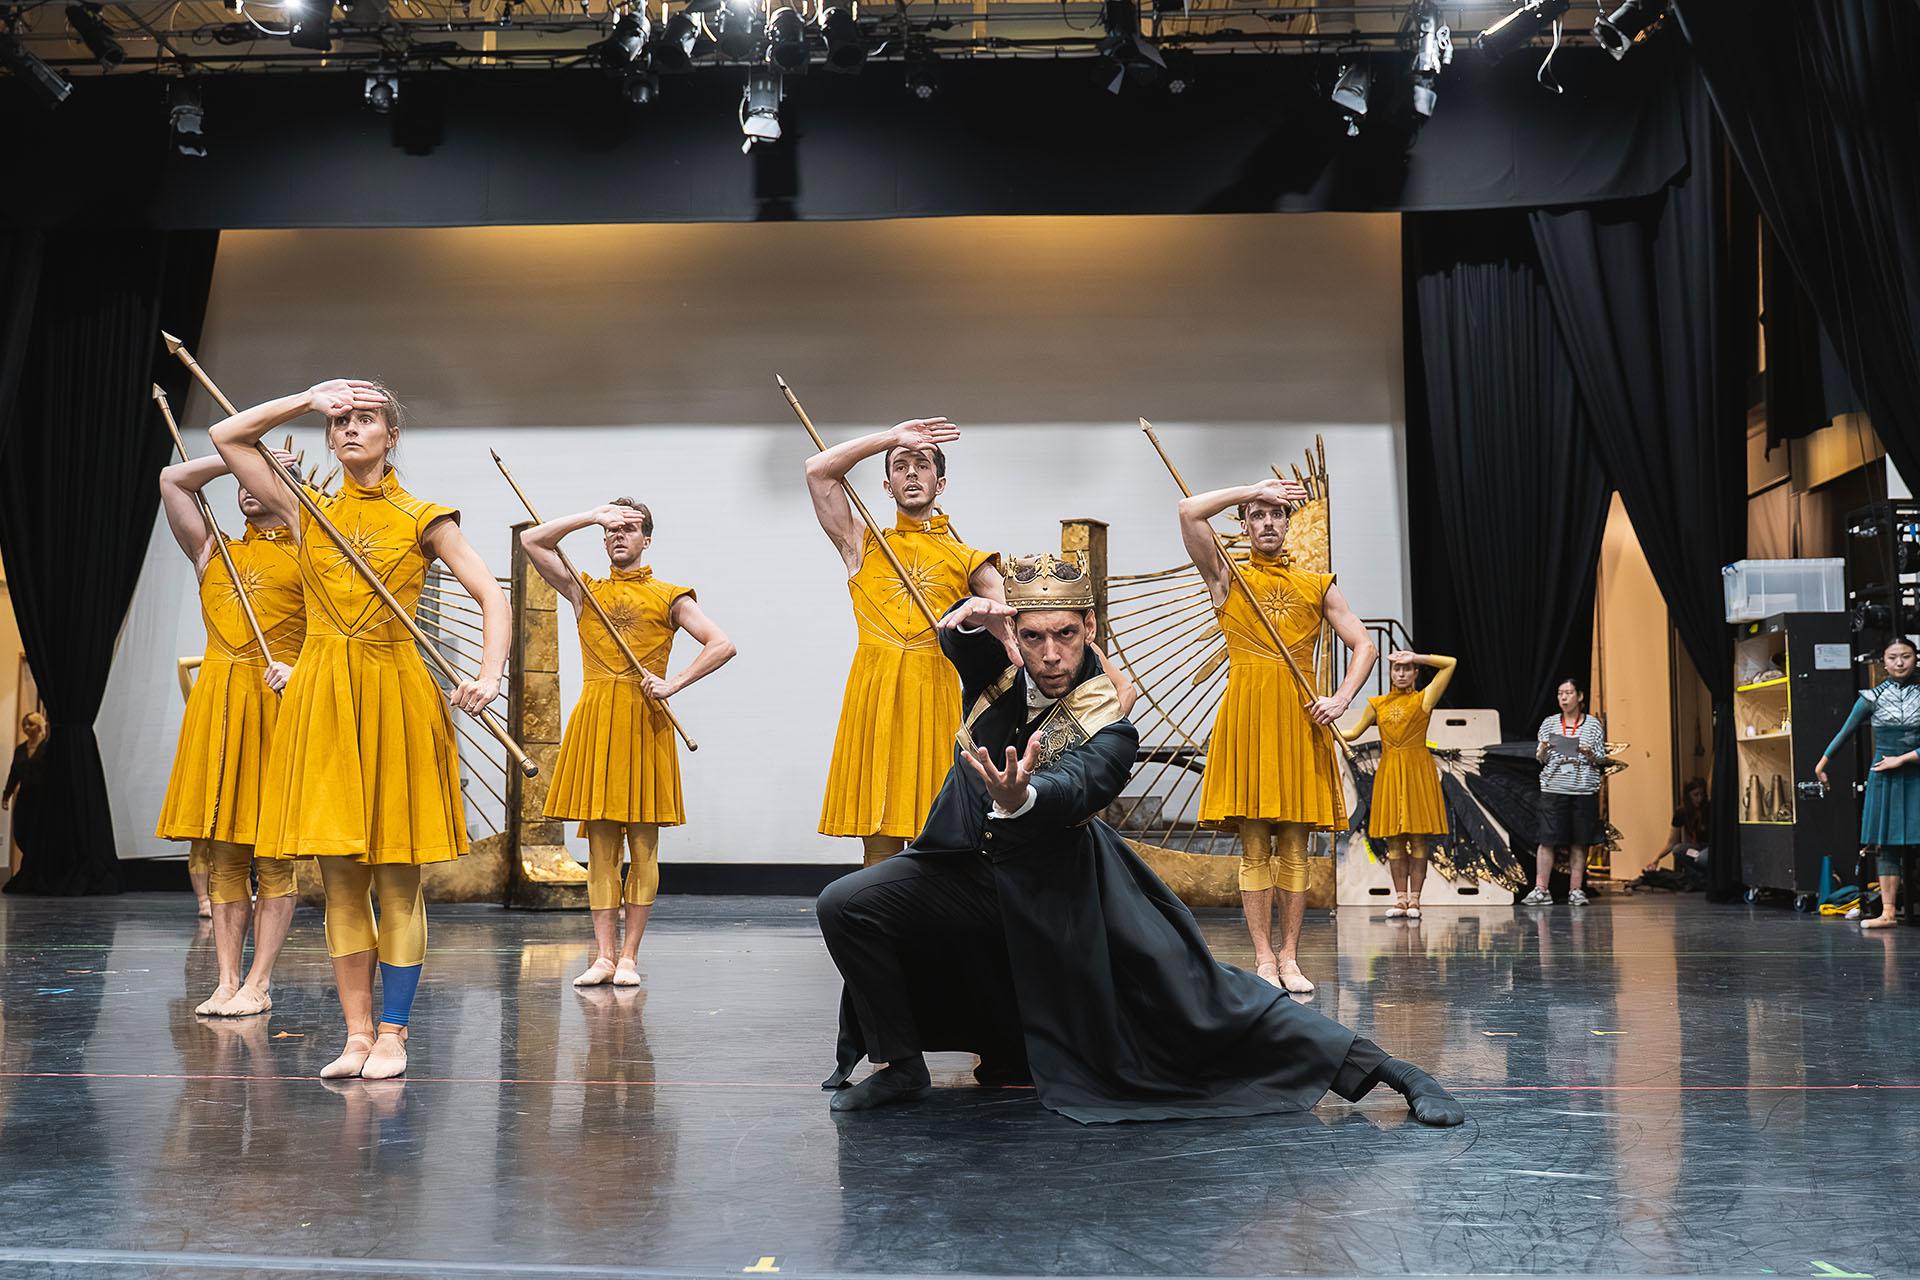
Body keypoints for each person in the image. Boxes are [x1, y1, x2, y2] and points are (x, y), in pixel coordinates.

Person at [815, 553, 1464, 1127]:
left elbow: (1082, 782)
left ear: (1089, 629)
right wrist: (970, 616)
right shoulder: (1000, 673)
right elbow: (964, 646)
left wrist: (1023, 797)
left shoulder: (1109, 720)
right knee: (845, 903)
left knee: (1203, 1000)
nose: (1049, 653)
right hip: (962, 870)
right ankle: (902, 1067)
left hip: (1060, 891)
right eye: (1033, 635)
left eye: (1065, 635)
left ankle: (1393, 1071)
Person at [213, 378, 507, 1080]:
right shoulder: (305, 508)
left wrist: (490, 674)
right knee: (341, 881)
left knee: (397, 880)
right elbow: (228, 437)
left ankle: (394, 1034)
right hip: (321, 697)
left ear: (391, 436)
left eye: (366, 419)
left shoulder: (424, 516)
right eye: (341, 420)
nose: (350, 429)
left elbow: (491, 594)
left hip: (395, 695)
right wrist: (307, 398)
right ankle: (356, 1035)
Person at [521, 499, 737, 988]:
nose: (619, 535)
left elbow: (722, 643)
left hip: (644, 722)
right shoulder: (585, 591)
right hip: (597, 722)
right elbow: (532, 540)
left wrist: (674, 682)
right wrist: (591, 515)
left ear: (647, 539)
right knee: (600, 848)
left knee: (642, 846)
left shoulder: (670, 595)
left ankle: (630, 958)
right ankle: (603, 956)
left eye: (629, 528)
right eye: (612, 529)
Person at [1179, 477, 1377, 993]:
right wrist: (1251, 488)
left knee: (1294, 849)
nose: (1267, 523)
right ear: (1244, 524)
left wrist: (1341, 698)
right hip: (1248, 720)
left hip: (1298, 720)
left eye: (1276, 514)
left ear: (1289, 523)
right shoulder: (1228, 577)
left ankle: (1290, 957)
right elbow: (1188, 511)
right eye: (1257, 514)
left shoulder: (1317, 584)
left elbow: (1364, 645)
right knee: (1254, 850)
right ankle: (1264, 959)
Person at [805, 418, 1007, 866]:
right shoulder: (863, 543)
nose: (911, 473)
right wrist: (892, 437)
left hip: (933, 693)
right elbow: (818, 471)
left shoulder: (968, 559)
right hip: (873, 693)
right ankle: (881, 909)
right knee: (876, 830)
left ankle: (930, 910)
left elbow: (1016, 623)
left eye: (922, 465)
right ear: (887, 485)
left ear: (941, 483)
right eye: (900, 466)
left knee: (932, 825)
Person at [154, 449, 308, 1016]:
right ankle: (225, 980)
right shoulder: (213, 549)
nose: (246, 487)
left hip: (276, 705)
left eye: (258, 478)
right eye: (240, 481)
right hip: (219, 708)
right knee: (223, 855)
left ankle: (258, 982)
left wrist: (300, 670)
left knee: (274, 856)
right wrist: (235, 457)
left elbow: (334, 638)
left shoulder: (311, 553)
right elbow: (172, 479)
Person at [1340, 651, 1457, 920]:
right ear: (1391, 673)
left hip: (1418, 772)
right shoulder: (1377, 704)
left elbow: (1450, 664)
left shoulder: (1423, 699)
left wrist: (1416, 656)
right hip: (1390, 772)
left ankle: (1415, 900)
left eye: (1407, 668)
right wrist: (1326, 729)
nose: (1401, 673)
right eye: (1396, 669)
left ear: (1415, 673)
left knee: (1418, 838)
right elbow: (1354, 732)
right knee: (1394, 839)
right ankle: (1400, 899)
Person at [1817, 635, 1920, 930]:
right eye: (1892, 657)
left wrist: (1903, 759)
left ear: (1915, 659)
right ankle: (1888, 912)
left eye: (1906, 656)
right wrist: (1823, 763)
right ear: (1883, 662)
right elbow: (1845, 731)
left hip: (1915, 773)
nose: (1899, 663)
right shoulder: (1872, 697)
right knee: (1885, 844)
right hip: (1884, 778)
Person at [1526, 677, 1607, 907]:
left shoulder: (1592, 725)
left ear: (1579, 696)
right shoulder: (1550, 723)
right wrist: (1543, 749)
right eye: (1560, 693)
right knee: (1547, 839)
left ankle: (1576, 890)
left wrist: (1590, 753)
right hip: (1554, 788)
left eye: (1568, 693)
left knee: (1579, 841)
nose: (1563, 698)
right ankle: (1541, 889)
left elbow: (1601, 758)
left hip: (1583, 789)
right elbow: (1541, 759)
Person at [4, 712, 47, 882]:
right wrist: (6, 795)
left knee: (39, 832)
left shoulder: (48, 748)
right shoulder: (20, 749)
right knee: (22, 830)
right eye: (24, 725)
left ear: (39, 726)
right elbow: (14, 774)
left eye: (30, 724)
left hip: (42, 798)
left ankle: (37, 870)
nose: (26, 728)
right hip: (24, 797)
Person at [1657, 777, 1710, 871]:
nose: (1699, 798)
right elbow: (1672, 842)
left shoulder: (1709, 809)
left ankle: (1704, 877)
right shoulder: (1681, 812)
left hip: (1709, 848)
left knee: (1702, 858)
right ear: (1688, 796)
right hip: (1696, 849)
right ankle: (1697, 877)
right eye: (1696, 795)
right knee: (1678, 850)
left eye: (1702, 794)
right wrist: (1657, 858)